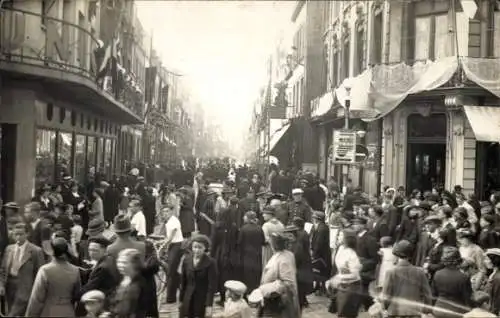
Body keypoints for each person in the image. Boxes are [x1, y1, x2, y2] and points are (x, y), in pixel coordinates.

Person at [26, 237, 82, 317]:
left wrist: (30, 315)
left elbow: (37, 298)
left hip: (49, 311)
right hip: (68, 311)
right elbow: (77, 295)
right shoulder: (75, 270)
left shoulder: (45, 270)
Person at [248, 231, 300, 318]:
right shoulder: (287, 254)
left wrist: (263, 290)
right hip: (273, 299)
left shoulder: (283, 259)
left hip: (279, 303)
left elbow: (287, 283)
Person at [0, 222, 45, 316]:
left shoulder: (36, 251)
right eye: (16, 234)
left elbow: (40, 274)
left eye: (21, 234)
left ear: (27, 234)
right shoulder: (9, 249)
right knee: (10, 310)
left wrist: (36, 292)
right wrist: (2, 285)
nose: (18, 237)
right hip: (9, 286)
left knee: (22, 313)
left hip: (26, 287)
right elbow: (3, 270)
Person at [382, 240, 432, 318]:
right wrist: (426, 310)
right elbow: (427, 295)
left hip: (395, 312)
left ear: (396, 255)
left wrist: (384, 307)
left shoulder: (391, 272)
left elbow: (386, 295)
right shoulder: (420, 272)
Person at [179, 234, 217, 318]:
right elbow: (183, 282)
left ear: (205, 248)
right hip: (188, 298)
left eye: (200, 247)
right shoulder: (186, 260)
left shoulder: (211, 263)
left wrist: (209, 305)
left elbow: (211, 286)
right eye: (195, 247)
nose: (197, 250)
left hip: (201, 300)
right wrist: (181, 300)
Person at [327, 229, 362, 318]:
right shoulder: (341, 248)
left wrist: (337, 278)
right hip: (342, 286)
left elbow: (354, 275)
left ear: (347, 239)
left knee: (346, 314)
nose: (338, 237)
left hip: (352, 287)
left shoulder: (352, 254)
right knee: (341, 312)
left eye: (341, 235)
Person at [432, 246, 472, 318]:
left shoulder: (437, 274)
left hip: (439, 309)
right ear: (458, 260)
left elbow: (434, 294)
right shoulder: (463, 277)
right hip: (456, 311)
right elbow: (467, 298)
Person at [109, 248, 147, 318]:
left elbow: (125, 311)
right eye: (119, 262)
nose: (120, 265)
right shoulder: (124, 278)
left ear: (134, 264)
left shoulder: (136, 286)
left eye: (124, 262)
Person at [238, 211, 265, 295]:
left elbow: (239, 242)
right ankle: (256, 290)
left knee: (247, 274)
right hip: (257, 254)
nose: (243, 218)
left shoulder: (243, 228)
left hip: (246, 255)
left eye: (244, 216)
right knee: (256, 274)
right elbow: (263, 241)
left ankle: (248, 291)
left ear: (248, 218)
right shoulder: (259, 228)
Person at [163, 205, 185, 305]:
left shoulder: (174, 221)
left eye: (167, 212)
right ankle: (179, 293)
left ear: (171, 212)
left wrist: (163, 245)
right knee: (174, 272)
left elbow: (171, 237)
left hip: (176, 246)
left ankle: (170, 298)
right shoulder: (169, 221)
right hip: (173, 246)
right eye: (163, 212)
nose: (165, 214)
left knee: (170, 271)